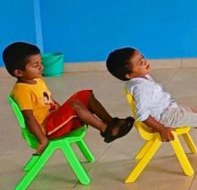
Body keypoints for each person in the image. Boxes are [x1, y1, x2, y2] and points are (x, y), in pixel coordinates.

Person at [106, 47, 197, 167]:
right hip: (164, 118)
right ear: (129, 75)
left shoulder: (140, 78)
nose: (146, 62)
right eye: (141, 63)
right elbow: (142, 115)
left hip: (170, 110)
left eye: (143, 58)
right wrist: (161, 128)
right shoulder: (140, 88)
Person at [4, 42, 133, 155]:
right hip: (47, 129)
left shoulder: (37, 80)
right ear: (19, 72)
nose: (41, 67)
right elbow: (29, 118)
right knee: (74, 105)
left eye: (41, 63)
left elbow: (49, 101)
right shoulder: (22, 91)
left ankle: (111, 122)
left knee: (84, 95)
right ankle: (106, 130)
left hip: (54, 119)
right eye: (35, 65)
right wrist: (42, 140)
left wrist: (63, 111)